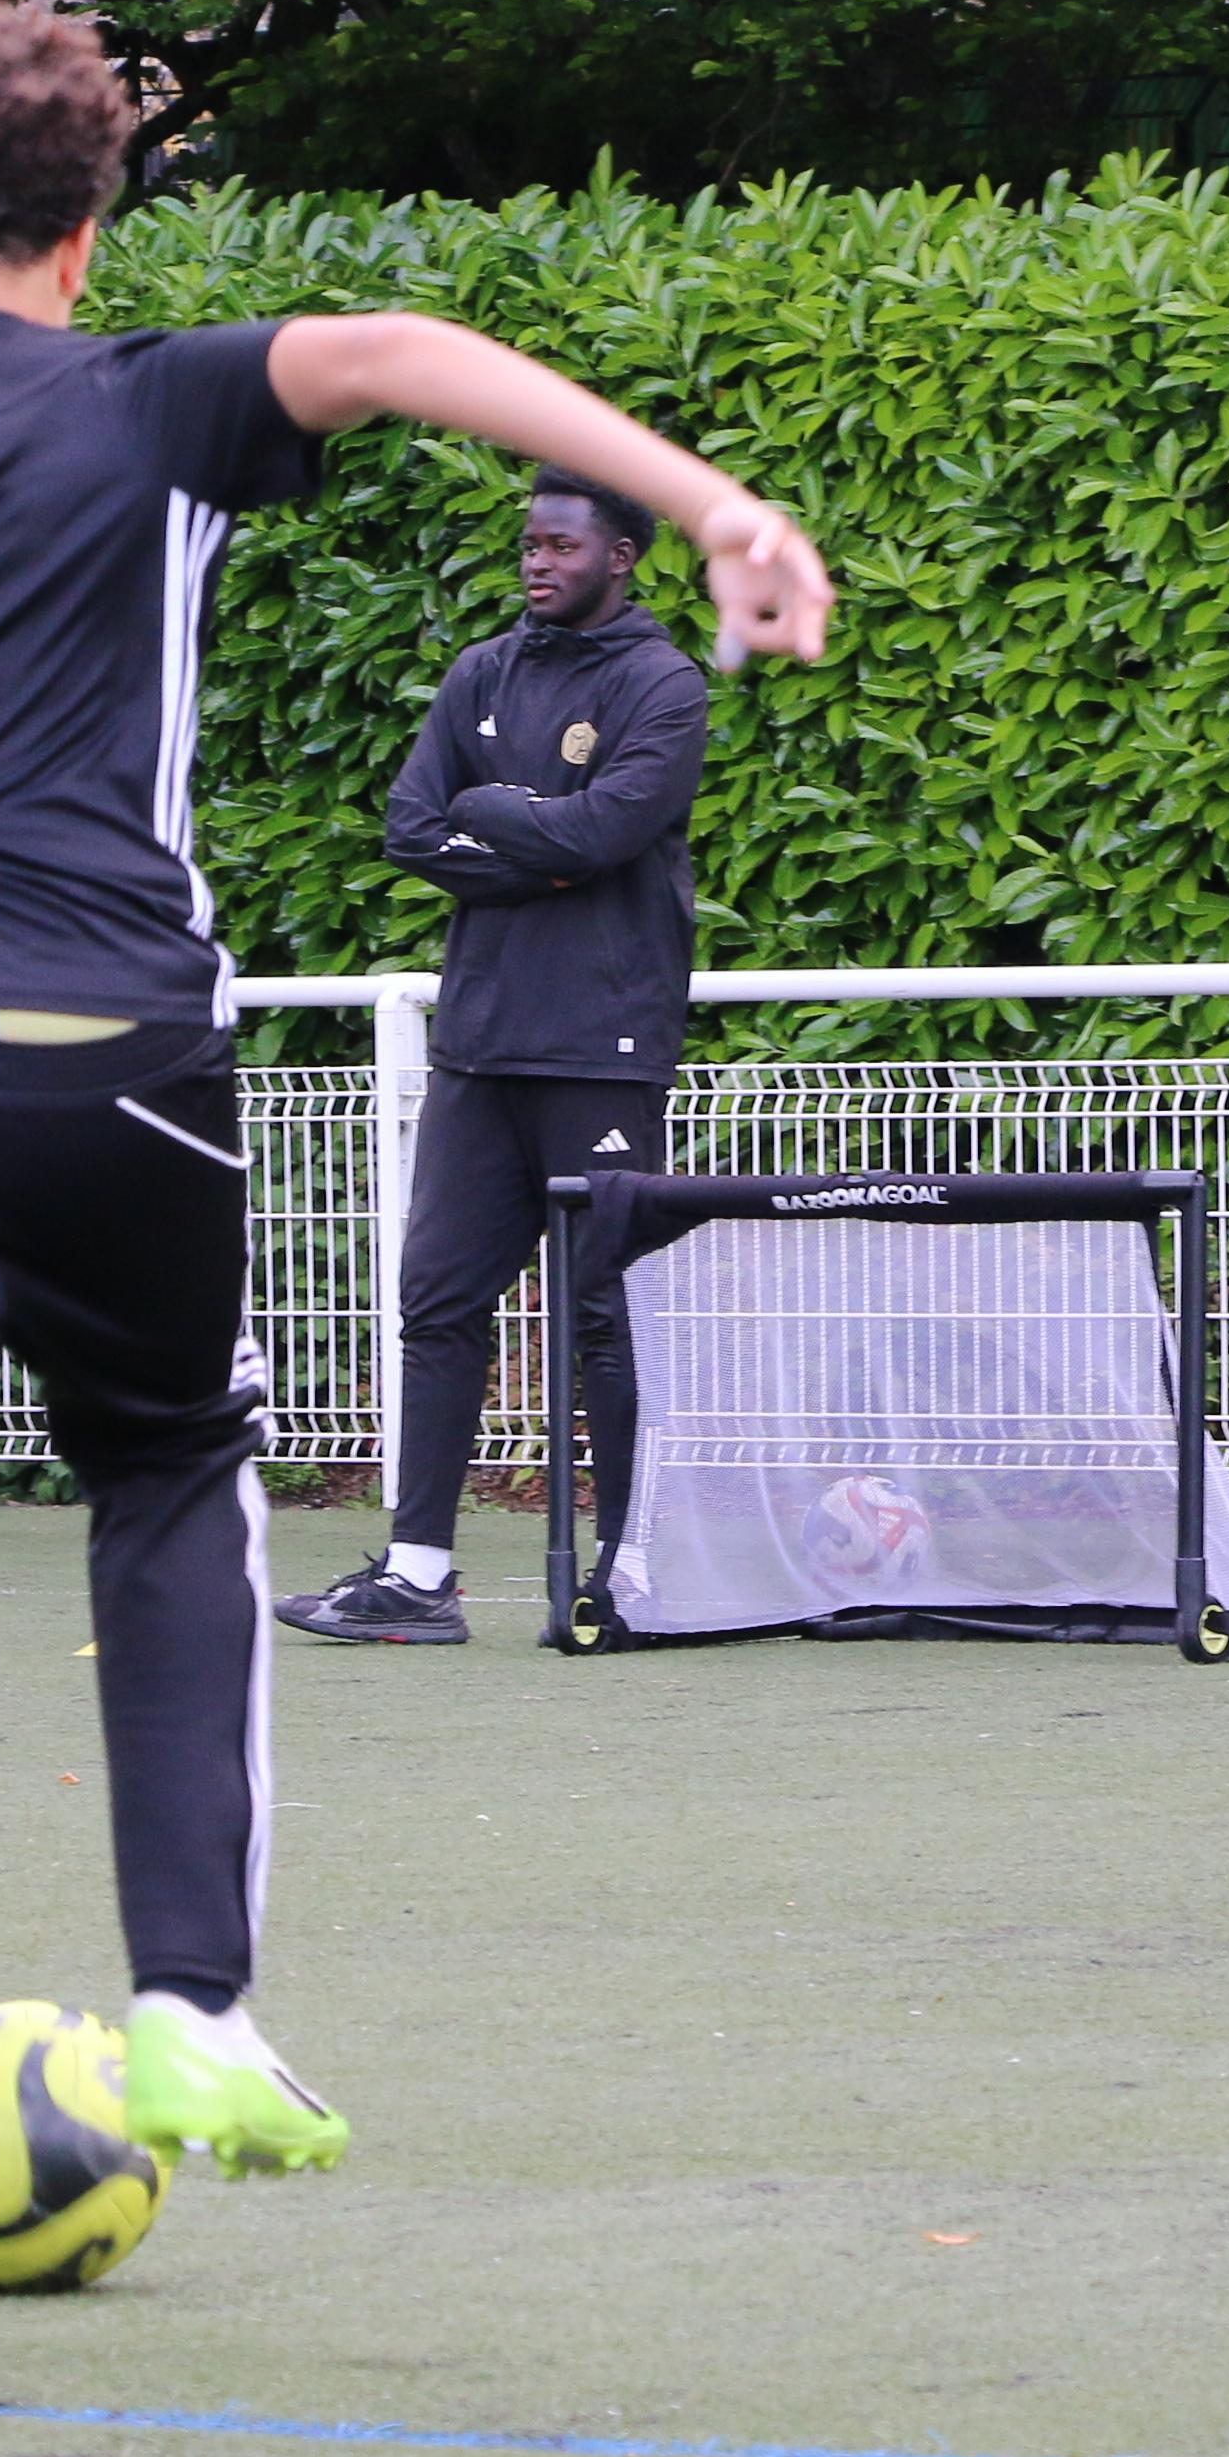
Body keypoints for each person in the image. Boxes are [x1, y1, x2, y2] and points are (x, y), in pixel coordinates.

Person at [0, 0, 834, 2457]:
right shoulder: (138, 406)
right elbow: (404, 347)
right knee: (167, 1479)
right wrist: (721, 508)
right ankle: (193, 2004)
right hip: (115, 1076)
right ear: (89, 230)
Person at [275, 473, 710, 1646]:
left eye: (562, 544)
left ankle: (626, 1579)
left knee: (603, 1314)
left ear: (620, 557)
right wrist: (541, 833)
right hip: (479, 1044)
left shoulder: (661, 684)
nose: (538, 561)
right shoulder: (481, 672)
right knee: (437, 1302)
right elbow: (415, 828)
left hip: (601, 1050)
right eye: (530, 543)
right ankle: (418, 1576)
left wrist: (506, 815)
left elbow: (611, 831)